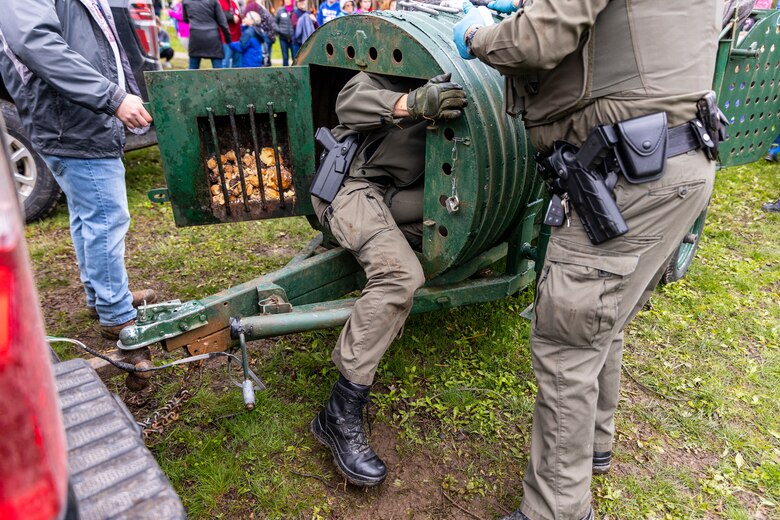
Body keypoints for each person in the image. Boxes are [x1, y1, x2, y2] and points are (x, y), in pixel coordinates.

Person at [452, 0, 721, 518]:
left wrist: (480, 34)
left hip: (626, 177)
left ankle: (556, 508)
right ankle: (594, 446)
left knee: (567, 344)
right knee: (606, 320)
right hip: (681, 160)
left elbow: (533, 42)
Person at [309, 72, 467, 487]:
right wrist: (413, 102)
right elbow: (349, 102)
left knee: (456, 215)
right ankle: (339, 410)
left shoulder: (473, 66)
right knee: (399, 275)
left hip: (397, 195)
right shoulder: (402, 58)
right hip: (350, 187)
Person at [0, 0, 157, 339]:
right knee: (105, 216)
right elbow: (36, 42)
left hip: (78, 117)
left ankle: (101, 297)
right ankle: (116, 314)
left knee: (88, 214)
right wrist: (111, 97)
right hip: (72, 120)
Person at [183, 0, 231, 69]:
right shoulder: (214, 1)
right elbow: (223, 23)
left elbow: (185, 19)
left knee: (192, 69)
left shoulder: (186, 1)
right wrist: (228, 39)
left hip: (195, 36)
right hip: (213, 37)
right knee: (218, 71)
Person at [244, 0, 277, 66]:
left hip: (268, 36)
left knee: (265, 61)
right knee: (264, 61)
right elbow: (252, 21)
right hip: (264, 35)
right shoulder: (252, 5)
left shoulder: (257, 5)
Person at [218, 0, 243, 67]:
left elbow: (238, 15)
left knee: (237, 64)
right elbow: (219, 14)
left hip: (237, 38)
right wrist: (231, 17)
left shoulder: (233, 2)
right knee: (225, 63)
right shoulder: (219, 2)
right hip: (226, 38)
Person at [274, 0, 295, 66]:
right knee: (285, 57)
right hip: (283, 38)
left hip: (293, 38)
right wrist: (279, 31)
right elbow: (275, 23)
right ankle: (285, 74)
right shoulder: (280, 11)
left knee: (294, 57)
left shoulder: (295, 11)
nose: (286, 1)